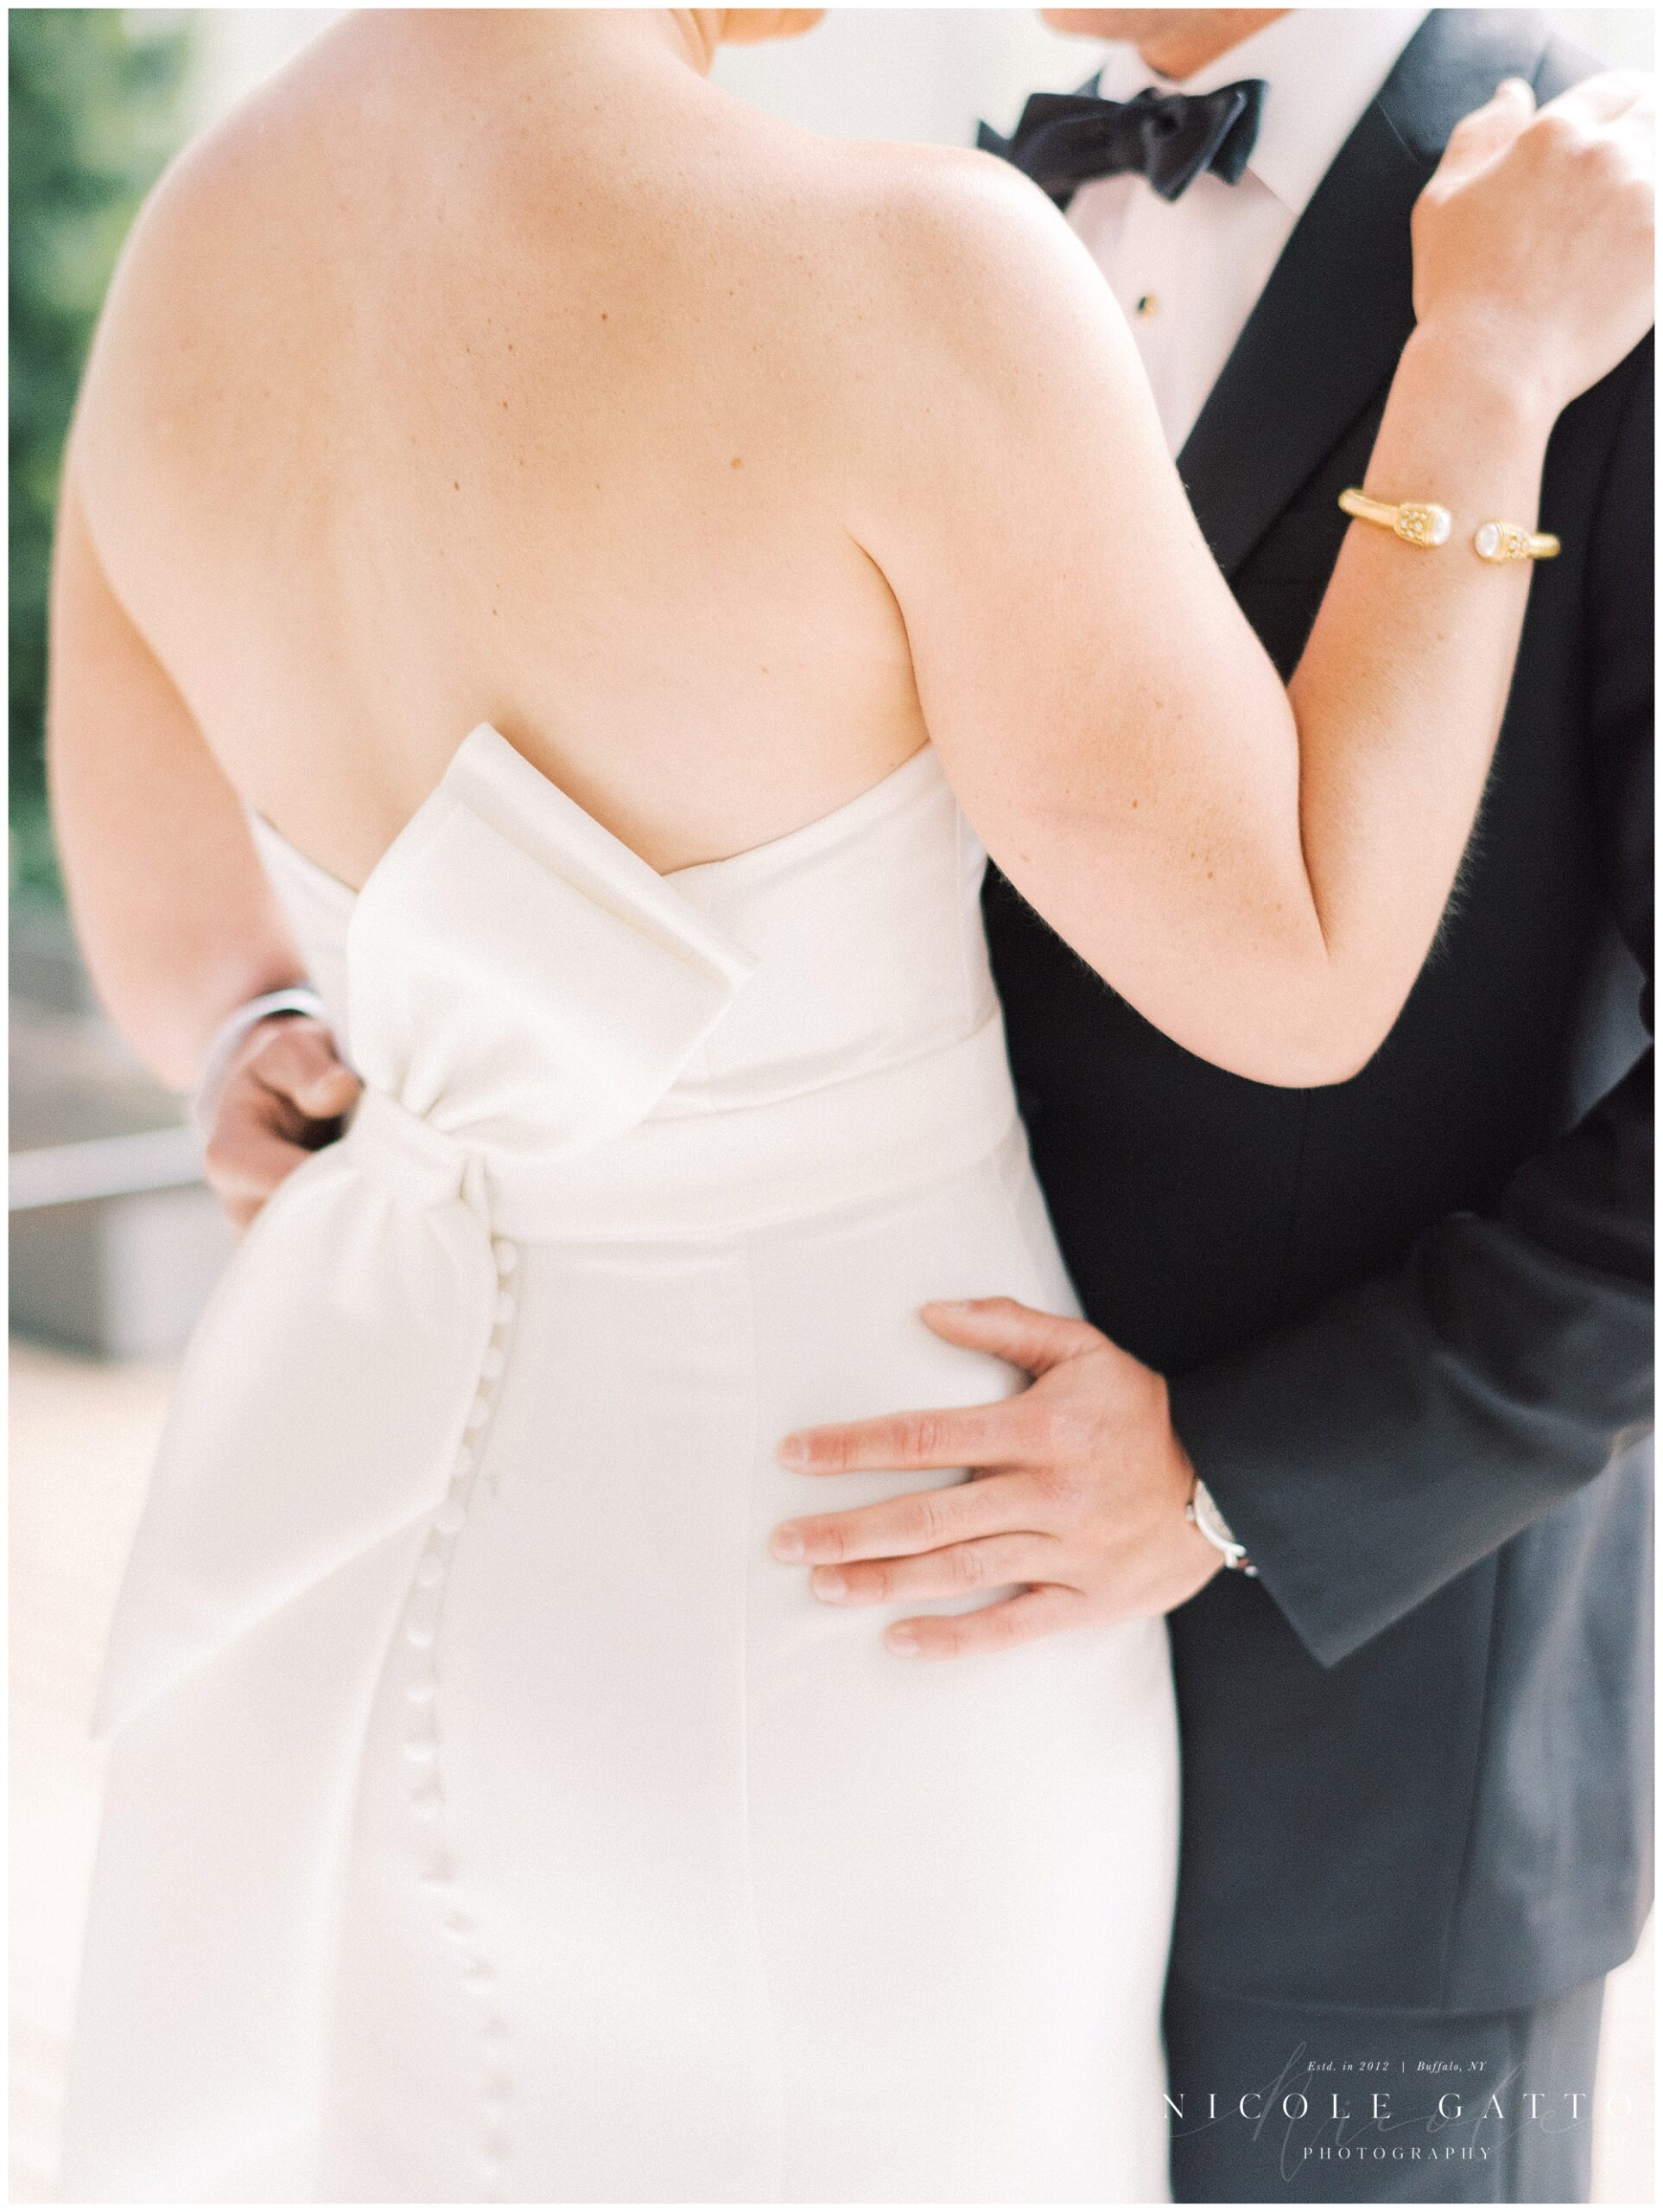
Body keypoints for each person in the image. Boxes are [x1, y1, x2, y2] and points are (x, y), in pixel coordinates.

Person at [48, 8, 1650, 2202]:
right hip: (875, 1603)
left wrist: (274, 1055)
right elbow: (1297, 971)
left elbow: (182, 949)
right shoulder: (905, 257)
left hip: (467, 1588)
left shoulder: (200, 245)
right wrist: (1474, 376)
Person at [780, 10, 1656, 2202]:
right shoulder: (918, 239)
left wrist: (1242, 1473)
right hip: (877, 1707)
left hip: (1362, 1766)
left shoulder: (1606, 243)